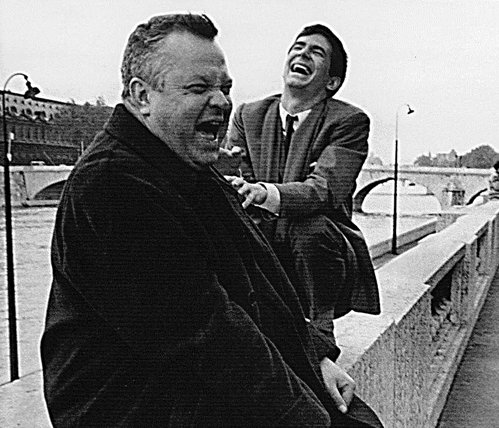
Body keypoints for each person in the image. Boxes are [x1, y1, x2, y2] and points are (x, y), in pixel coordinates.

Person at [41, 13, 383, 427]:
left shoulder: (182, 164)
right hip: (133, 408)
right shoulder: (113, 185)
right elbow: (208, 335)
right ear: (142, 96)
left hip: (185, 388)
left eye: (225, 89)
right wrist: (308, 417)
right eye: (199, 88)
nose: (222, 102)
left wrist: (314, 356)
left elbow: (260, 282)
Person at [224, 24, 381, 338]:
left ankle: (321, 329)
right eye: (298, 47)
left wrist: (262, 192)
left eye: (316, 52)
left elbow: (323, 189)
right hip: (263, 244)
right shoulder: (248, 115)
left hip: (320, 255)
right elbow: (237, 179)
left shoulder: (349, 122)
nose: (303, 53)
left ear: (332, 82)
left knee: (309, 225)